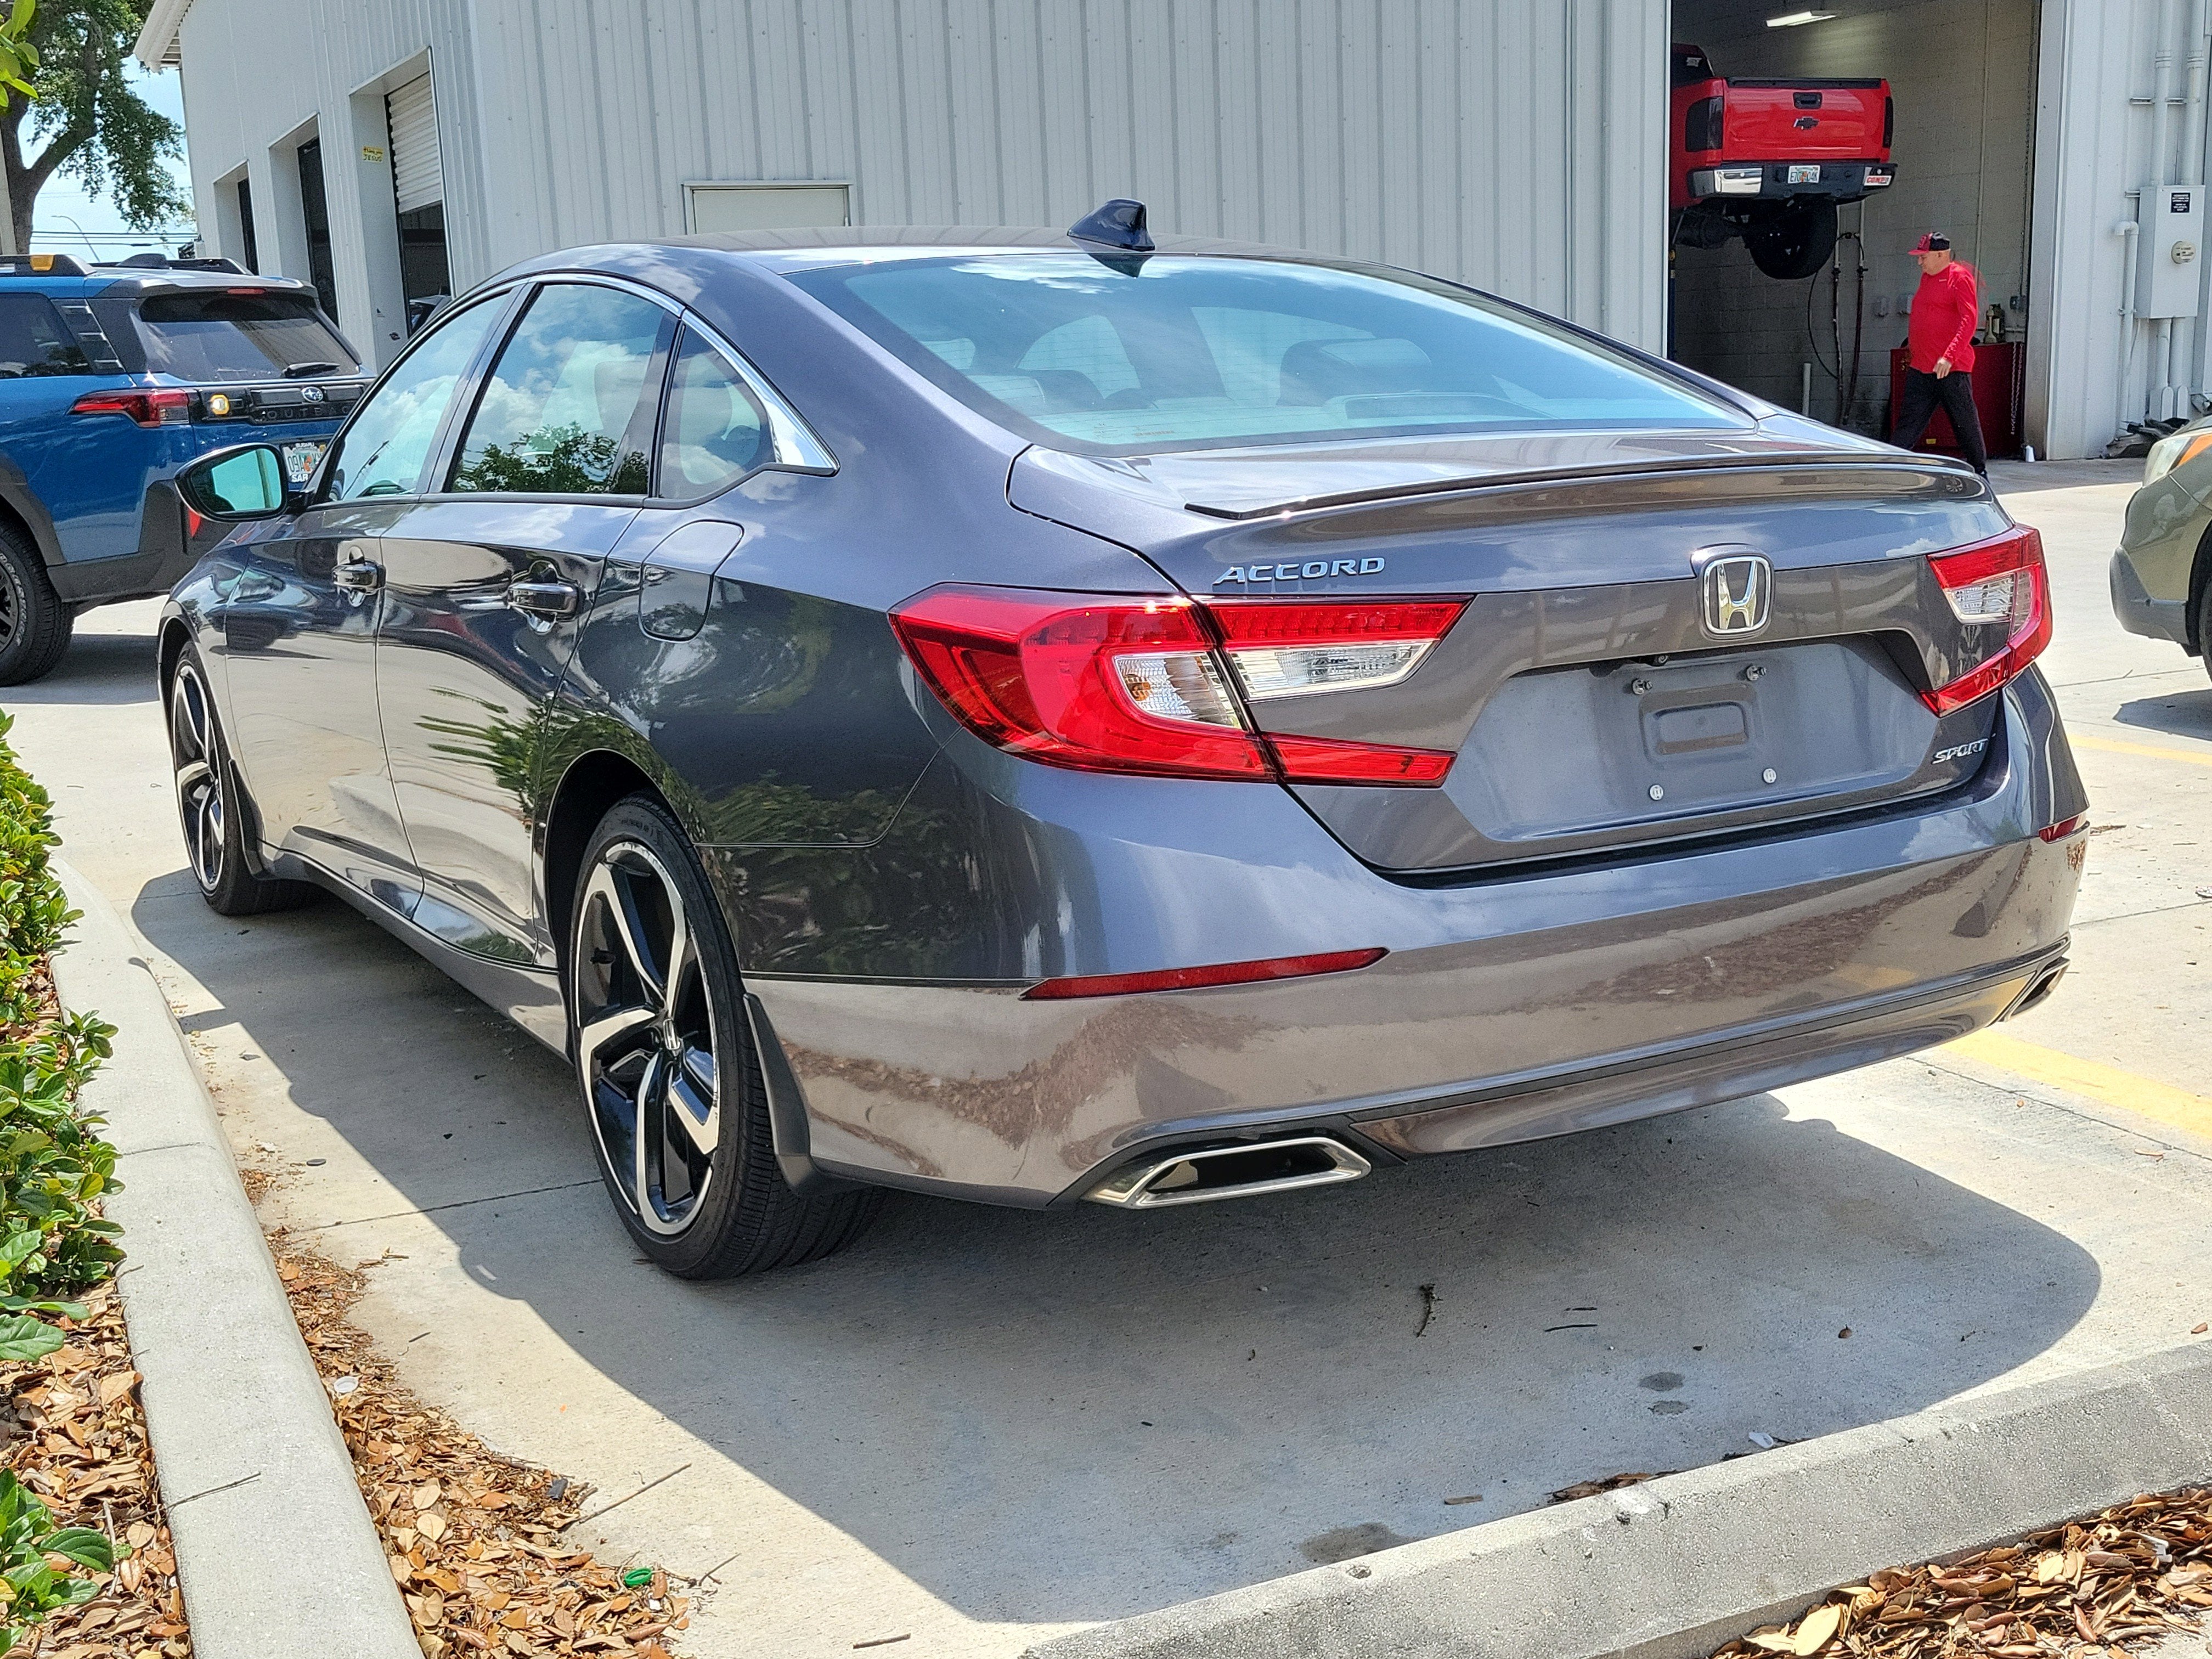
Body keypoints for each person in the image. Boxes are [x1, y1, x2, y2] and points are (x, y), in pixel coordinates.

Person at [1889, 232, 1989, 475]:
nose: (1919, 262)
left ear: (1941, 255)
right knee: (1908, 423)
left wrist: (1949, 355)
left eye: (1923, 257)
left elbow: (1969, 320)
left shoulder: (1959, 277)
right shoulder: (1927, 278)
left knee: (1963, 422)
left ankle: (1979, 470)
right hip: (1922, 367)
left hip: (1950, 369)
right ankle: (1890, 467)